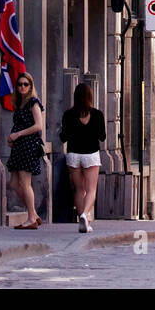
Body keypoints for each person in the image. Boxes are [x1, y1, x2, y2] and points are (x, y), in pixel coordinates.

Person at [59, 82, 105, 233]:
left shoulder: (68, 114)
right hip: (91, 154)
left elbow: (63, 137)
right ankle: (85, 215)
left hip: (73, 155)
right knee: (91, 189)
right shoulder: (97, 114)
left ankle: (82, 219)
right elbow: (102, 137)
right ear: (90, 97)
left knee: (79, 189)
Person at [6, 74, 45, 229]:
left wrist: (18, 134)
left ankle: (30, 218)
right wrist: (12, 138)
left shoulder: (33, 103)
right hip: (18, 146)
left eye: (25, 84)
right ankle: (33, 214)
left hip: (28, 146)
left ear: (31, 86)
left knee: (25, 182)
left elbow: (38, 126)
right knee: (14, 183)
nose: (22, 87)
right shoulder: (19, 103)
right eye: (20, 84)